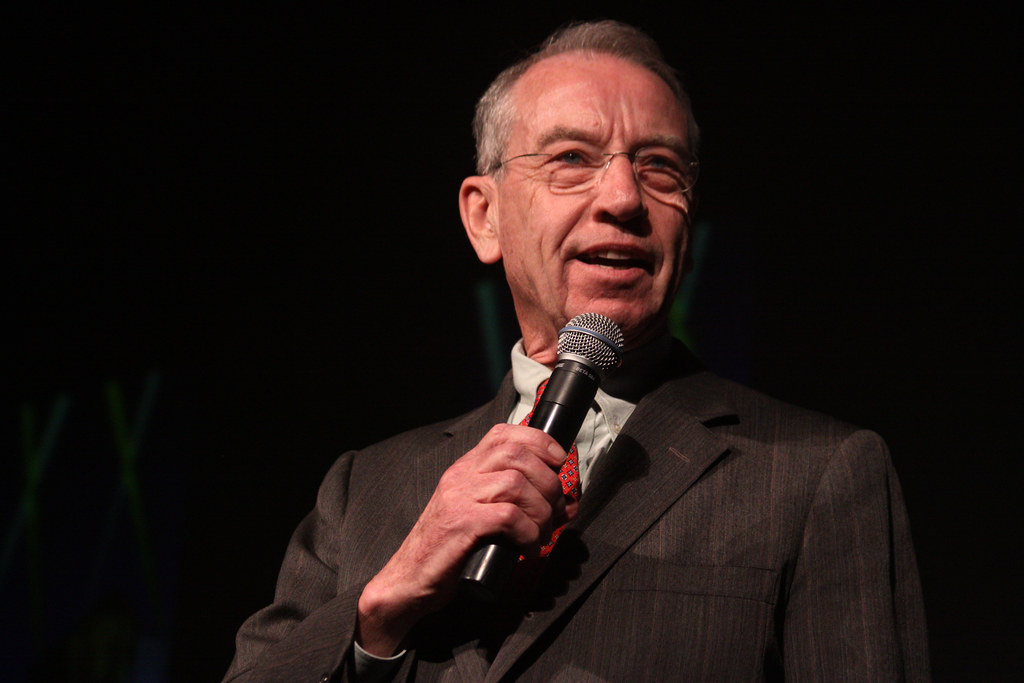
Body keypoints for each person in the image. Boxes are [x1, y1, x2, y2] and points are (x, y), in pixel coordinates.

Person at [224, 20, 929, 682]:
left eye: (659, 167)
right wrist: (379, 610)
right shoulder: (363, 489)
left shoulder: (817, 474)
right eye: (570, 159)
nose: (623, 196)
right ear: (484, 215)